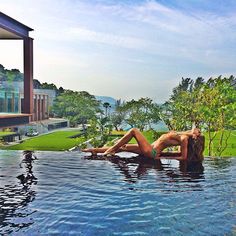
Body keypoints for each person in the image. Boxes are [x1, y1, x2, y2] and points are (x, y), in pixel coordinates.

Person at [82, 128, 201, 160]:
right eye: (196, 130)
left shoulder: (184, 139)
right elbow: (187, 132)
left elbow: (183, 157)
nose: (197, 131)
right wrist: (192, 131)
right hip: (150, 149)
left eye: (197, 132)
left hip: (152, 152)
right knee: (123, 147)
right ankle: (95, 150)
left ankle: (109, 150)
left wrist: (162, 156)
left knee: (134, 131)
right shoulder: (182, 134)